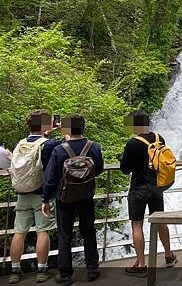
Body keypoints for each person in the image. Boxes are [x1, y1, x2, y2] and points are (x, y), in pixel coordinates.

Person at [42, 114, 104, 285]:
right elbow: (98, 169)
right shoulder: (94, 147)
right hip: (86, 196)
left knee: (65, 235)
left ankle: (65, 274)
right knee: (89, 231)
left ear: (67, 129)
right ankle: (92, 268)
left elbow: (51, 177)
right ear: (83, 128)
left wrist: (45, 199)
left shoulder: (60, 150)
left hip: (64, 197)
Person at [119, 111, 177, 277]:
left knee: (137, 224)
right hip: (157, 186)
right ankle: (168, 255)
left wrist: (122, 159)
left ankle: (142, 265)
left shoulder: (133, 143)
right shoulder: (159, 138)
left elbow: (125, 169)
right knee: (160, 220)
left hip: (139, 188)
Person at [8, 110, 60, 284]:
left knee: (19, 232)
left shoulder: (21, 144)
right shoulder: (49, 145)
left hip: (22, 193)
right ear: (45, 125)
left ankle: (14, 270)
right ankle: (41, 270)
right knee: (42, 232)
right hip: (42, 195)